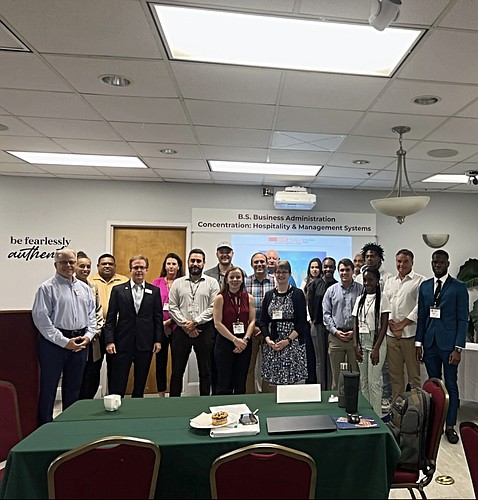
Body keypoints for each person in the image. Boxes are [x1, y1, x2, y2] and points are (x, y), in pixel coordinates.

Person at [32, 248, 95, 425]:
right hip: (53, 344)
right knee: (49, 387)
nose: (68, 265)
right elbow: (41, 319)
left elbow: (92, 315)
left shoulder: (84, 288)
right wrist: (64, 342)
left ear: (76, 263)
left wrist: (88, 336)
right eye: (63, 262)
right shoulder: (46, 288)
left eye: (71, 262)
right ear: (55, 265)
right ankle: (44, 427)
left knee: (74, 388)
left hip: (81, 341)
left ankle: (69, 425)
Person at [416, 250, 469, 444]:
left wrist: (458, 348)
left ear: (447, 263)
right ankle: (435, 424)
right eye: (434, 262)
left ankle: (450, 426)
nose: (437, 265)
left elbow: (463, 319)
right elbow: (422, 317)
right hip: (429, 344)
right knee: (433, 386)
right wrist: (418, 343)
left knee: (451, 386)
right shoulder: (425, 287)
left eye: (441, 262)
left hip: (449, 346)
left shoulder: (458, 287)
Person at [104, 255, 164, 398]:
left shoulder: (154, 291)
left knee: (140, 381)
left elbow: (158, 318)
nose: (139, 270)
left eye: (142, 267)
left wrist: (158, 340)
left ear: (146, 269)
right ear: (130, 269)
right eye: (135, 267)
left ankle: (137, 409)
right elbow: (111, 318)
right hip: (122, 342)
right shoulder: (118, 290)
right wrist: (109, 341)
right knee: (118, 381)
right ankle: (115, 409)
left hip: (145, 343)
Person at [168, 249, 220, 396]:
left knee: (205, 371)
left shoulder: (212, 283)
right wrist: (186, 325)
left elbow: (213, 306)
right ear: (188, 262)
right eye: (192, 260)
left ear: (204, 263)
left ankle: (204, 402)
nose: (195, 263)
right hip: (181, 330)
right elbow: (172, 306)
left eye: (198, 261)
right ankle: (173, 401)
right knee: (177, 371)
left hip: (204, 330)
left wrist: (195, 322)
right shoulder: (178, 283)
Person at [355, 242, 394, 412]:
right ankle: (365, 413)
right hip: (361, 342)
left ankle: (376, 415)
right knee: (363, 381)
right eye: (365, 280)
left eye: (370, 280)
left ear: (377, 281)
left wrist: (377, 347)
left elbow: (384, 324)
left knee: (374, 381)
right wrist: (355, 345)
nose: (367, 283)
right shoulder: (360, 299)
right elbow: (355, 323)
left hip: (376, 342)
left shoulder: (383, 298)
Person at [383, 249, 425, 402]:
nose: (401, 264)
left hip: (410, 336)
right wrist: (392, 325)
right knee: (395, 376)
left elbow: (420, 307)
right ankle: (397, 409)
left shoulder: (420, 281)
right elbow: (384, 304)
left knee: (414, 377)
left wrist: (401, 325)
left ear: (412, 263)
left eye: (405, 261)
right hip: (391, 335)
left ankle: (416, 410)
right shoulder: (390, 281)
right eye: (399, 261)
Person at [259, 260, 309, 390]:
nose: (281, 275)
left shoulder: (297, 294)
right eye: (278, 272)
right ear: (274, 273)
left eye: (284, 272)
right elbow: (263, 321)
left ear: (289, 274)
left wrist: (287, 340)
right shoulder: (269, 295)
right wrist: (268, 340)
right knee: (274, 385)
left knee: (292, 386)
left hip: (292, 344)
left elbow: (302, 322)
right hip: (273, 345)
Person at [88, 253, 128, 393]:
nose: (107, 266)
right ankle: (88, 401)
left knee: (116, 368)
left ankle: (114, 399)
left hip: (117, 332)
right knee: (92, 369)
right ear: (98, 266)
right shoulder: (89, 281)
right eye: (104, 264)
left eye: (110, 264)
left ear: (115, 266)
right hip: (96, 332)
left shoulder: (124, 281)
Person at [213, 266, 255, 394]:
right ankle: (223, 412)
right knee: (224, 382)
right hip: (225, 342)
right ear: (226, 280)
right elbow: (217, 323)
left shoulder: (249, 298)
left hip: (244, 342)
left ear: (242, 280)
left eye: (238, 277)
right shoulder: (220, 298)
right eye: (232, 277)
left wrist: (245, 340)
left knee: (240, 382)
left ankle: (240, 412)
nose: (235, 280)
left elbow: (252, 321)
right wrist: (235, 340)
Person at [323, 258, 363, 390]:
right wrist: (335, 331)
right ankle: (336, 402)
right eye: (341, 270)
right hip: (336, 338)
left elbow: (364, 314)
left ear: (353, 271)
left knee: (355, 374)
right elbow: (326, 314)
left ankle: (354, 402)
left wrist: (355, 332)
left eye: (347, 270)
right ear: (338, 272)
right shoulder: (331, 290)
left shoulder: (361, 290)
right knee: (337, 375)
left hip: (355, 338)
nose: (344, 273)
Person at [151, 252, 184, 397]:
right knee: (160, 362)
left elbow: (185, 307)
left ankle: (175, 395)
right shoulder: (156, 283)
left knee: (177, 363)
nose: (171, 266)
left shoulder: (183, 282)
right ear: (165, 266)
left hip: (177, 328)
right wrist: (161, 325)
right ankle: (161, 394)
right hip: (160, 329)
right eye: (168, 263)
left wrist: (170, 322)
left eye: (174, 264)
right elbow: (151, 305)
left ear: (179, 267)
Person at [205, 241, 234, 394]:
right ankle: (216, 395)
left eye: (227, 252)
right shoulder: (208, 275)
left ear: (232, 254)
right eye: (221, 251)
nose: (225, 254)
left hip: (234, 328)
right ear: (217, 254)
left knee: (232, 367)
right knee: (214, 365)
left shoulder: (239, 273)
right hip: (213, 326)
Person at [245, 252, 275, 394]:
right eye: (256, 262)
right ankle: (249, 398)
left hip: (270, 332)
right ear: (251, 265)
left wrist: (265, 329)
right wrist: (254, 327)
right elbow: (241, 308)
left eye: (262, 262)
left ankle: (267, 399)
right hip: (250, 331)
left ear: (267, 263)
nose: (259, 264)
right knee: (248, 367)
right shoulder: (245, 282)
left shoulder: (275, 281)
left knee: (269, 366)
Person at [76, 251, 105, 399]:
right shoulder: (68, 286)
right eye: (82, 266)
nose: (85, 270)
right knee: (77, 374)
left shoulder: (93, 287)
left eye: (88, 266)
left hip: (93, 339)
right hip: (77, 339)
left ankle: (87, 402)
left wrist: (95, 331)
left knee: (93, 373)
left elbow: (98, 311)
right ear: (74, 266)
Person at [300, 258, 322, 384]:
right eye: (312, 267)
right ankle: (310, 380)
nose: (314, 270)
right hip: (307, 323)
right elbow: (303, 304)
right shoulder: (304, 283)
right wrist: (308, 319)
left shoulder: (323, 283)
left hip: (319, 323)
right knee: (309, 354)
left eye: (317, 267)